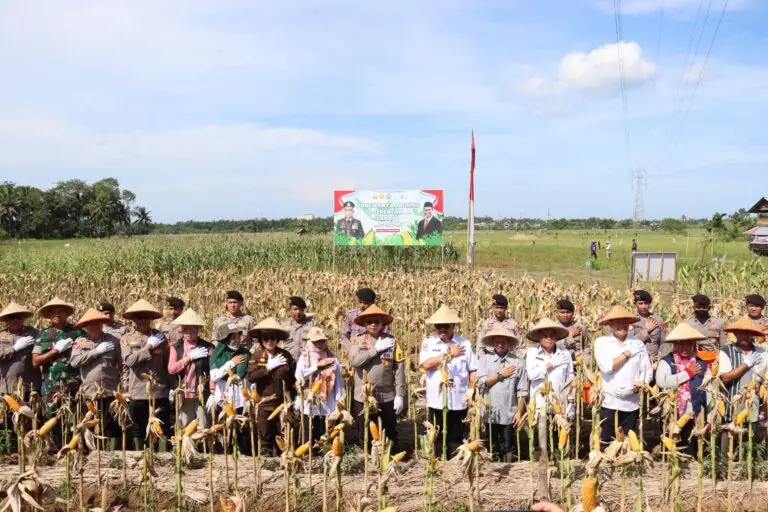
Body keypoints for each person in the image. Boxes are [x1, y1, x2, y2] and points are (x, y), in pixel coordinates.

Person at [418, 304, 477, 458]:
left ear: (453, 325)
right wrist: (449, 354)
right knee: (436, 436)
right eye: (439, 326)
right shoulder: (428, 342)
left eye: (446, 326)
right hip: (436, 400)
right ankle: (438, 465)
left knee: (456, 438)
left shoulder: (465, 344)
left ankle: (455, 468)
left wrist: (471, 393)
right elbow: (425, 365)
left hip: (459, 400)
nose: (442, 329)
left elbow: (473, 371)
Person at [347, 305, 405, 450]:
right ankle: (368, 459)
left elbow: (399, 370)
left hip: (386, 395)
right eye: (370, 321)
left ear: (382, 324)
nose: (373, 324)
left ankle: (390, 456)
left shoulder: (392, 342)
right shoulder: (357, 341)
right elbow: (354, 361)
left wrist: (400, 395)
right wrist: (376, 349)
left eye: (377, 321)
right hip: (363, 396)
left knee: (389, 431)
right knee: (365, 432)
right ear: (365, 324)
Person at [594, 305, 652, 444]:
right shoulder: (601, 342)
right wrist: (627, 353)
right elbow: (607, 367)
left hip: (631, 401)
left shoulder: (637, 343)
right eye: (617, 322)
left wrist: (640, 383)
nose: (622, 326)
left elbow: (646, 369)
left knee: (627, 440)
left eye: (625, 322)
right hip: (609, 401)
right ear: (610, 324)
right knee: (606, 440)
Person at [120, 299, 171, 451]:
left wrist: (172, 387)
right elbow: (129, 361)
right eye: (138, 317)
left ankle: (162, 457)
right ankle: (139, 457)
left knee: (161, 426)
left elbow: (167, 363)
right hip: (137, 390)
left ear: (150, 319)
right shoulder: (126, 339)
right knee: (138, 427)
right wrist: (148, 347)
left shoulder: (160, 338)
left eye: (145, 317)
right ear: (133, 319)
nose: (141, 321)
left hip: (159, 389)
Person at [654, 323, 710, 454]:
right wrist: (687, 374)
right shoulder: (666, 361)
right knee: (672, 443)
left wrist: (710, 416)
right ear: (675, 345)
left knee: (690, 445)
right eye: (680, 344)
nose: (684, 348)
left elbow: (709, 388)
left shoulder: (701, 363)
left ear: (693, 344)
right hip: (672, 411)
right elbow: (662, 382)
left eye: (687, 344)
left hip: (694, 411)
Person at [70, 308, 121, 447]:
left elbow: (121, 365)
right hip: (90, 392)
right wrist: (96, 351)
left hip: (110, 391)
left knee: (110, 426)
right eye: (91, 323)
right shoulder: (80, 342)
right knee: (90, 425)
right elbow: (74, 362)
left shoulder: (113, 340)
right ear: (85, 326)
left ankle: (110, 456)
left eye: (98, 322)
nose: (96, 326)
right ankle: (92, 454)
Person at [477, 326, 528, 461]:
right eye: (497, 341)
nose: (500, 344)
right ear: (493, 342)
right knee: (492, 445)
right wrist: (500, 375)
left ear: (509, 343)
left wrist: (519, 412)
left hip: (509, 413)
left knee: (509, 445)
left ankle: (510, 472)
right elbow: (482, 383)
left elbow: (522, 390)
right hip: (490, 413)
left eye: (503, 341)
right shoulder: (484, 361)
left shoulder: (518, 362)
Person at [247, 318, 296, 455]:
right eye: (266, 338)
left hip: (282, 403)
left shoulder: (285, 355)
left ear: (277, 340)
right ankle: (266, 464)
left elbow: (292, 378)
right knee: (265, 435)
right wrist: (268, 367)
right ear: (261, 340)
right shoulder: (256, 356)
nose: (270, 341)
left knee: (283, 435)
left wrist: (295, 398)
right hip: (264, 403)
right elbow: (251, 377)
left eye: (273, 338)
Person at [718, 317, 767, 446]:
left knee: (751, 443)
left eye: (747, 332)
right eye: (740, 332)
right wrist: (747, 363)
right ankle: (724, 463)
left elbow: (763, 378)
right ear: (735, 333)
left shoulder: (762, 353)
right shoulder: (726, 351)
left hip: (754, 403)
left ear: (752, 334)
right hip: (731, 402)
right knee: (728, 441)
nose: (744, 336)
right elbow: (725, 378)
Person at [294, 327, 344, 443]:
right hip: (310, 401)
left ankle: (324, 453)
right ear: (310, 341)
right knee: (310, 431)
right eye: (316, 341)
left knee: (326, 431)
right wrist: (316, 367)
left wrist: (339, 399)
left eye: (322, 341)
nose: (320, 344)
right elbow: (299, 376)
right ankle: (310, 454)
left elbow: (339, 381)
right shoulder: (305, 358)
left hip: (329, 402)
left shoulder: (333, 358)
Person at [167, 309, 214, 428]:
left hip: (202, 392)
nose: (188, 332)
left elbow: (212, 370)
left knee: (203, 425)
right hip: (183, 392)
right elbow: (172, 369)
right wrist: (189, 358)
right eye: (185, 329)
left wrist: (213, 392)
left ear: (198, 329)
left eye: (192, 329)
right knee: (185, 425)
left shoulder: (208, 347)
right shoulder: (176, 347)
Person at [32, 297, 84, 399]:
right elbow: (35, 362)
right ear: (49, 315)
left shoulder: (78, 332)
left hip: (74, 386)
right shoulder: (42, 334)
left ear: (66, 314)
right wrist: (55, 351)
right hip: (50, 386)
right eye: (53, 312)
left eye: (60, 311)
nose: (57, 314)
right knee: (51, 415)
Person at [209, 323, 251, 415]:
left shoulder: (245, 353)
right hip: (223, 396)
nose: (237, 340)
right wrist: (231, 363)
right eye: (233, 338)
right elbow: (214, 377)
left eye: (238, 336)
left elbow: (243, 375)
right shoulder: (218, 355)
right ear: (225, 340)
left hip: (240, 397)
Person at [0, 302, 40, 396]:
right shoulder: (1, 335)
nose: (15, 320)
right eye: (11, 317)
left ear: (24, 318)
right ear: (6, 319)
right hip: (8, 386)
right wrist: (14, 348)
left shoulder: (35, 333)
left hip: (30, 387)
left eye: (19, 317)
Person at [475, 294, 522, 358]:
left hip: (509, 358)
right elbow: (480, 345)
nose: (499, 310)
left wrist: (517, 360)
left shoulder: (513, 324)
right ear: (492, 307)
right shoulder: (486, 324)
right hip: (490, 358)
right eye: (496, 307)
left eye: (501, 308)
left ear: (506, 308)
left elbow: (520, 345)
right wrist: (482, 359)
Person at [631, 290, 666, 360]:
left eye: (646, 303)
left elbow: (664, 343)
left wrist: (663, 360)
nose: (644, 306)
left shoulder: (658, 320)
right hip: (636, 360)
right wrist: (646, 330)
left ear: (650, 304)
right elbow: (630, 343)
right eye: (640, 303)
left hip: (654, 361)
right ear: (635, 304)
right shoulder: (631, 320)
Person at [280, 296, 317, 361]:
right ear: (290, 310)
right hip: (288, 363)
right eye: (295, 309)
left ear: (304, 310)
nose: (298, 312)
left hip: (306, 363)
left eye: (300, 309)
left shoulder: (312, 324)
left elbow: (320, 344)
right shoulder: (283, 325)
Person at [554, 299, 590, 364]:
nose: (565, 315)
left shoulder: (580, 327)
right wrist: (570, 335)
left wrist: (586, 362)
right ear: (557, 313)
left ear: (573, 313)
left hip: (579, 363)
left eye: (568, 312)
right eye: (562, 312)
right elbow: (552, 348)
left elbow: (586, 347)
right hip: (560, 363)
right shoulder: (553, 328)